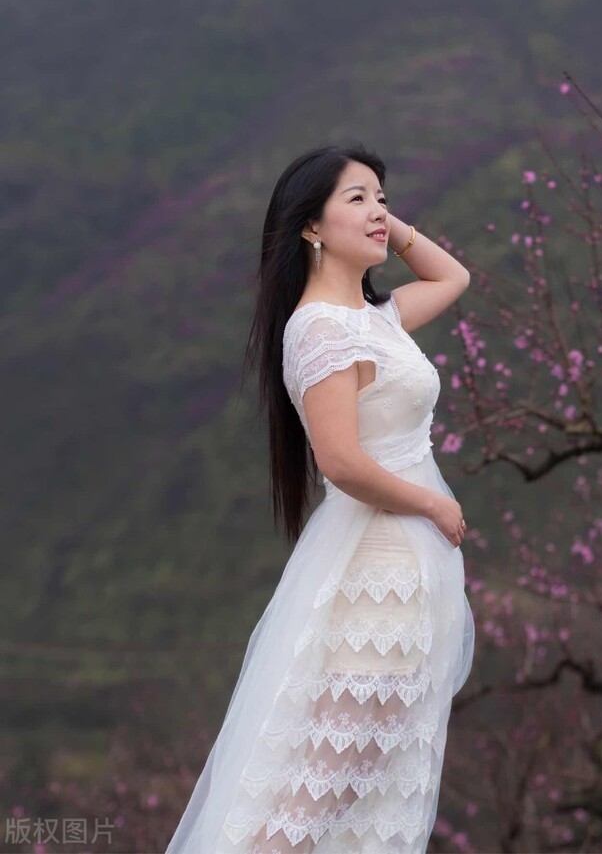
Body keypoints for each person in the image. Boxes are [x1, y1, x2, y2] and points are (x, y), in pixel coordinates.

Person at [166, 143, 476, 853]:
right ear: (310, 225)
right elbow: (341, 461)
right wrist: (432, 505)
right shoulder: (319, 329)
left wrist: (380, 226)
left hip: (406, 568)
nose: (380, 211)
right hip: (380, 568)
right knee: (317, 792)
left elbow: (454, 275)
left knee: (354, 785)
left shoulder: (373, 319)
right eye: (358, 198)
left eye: (384, 197)